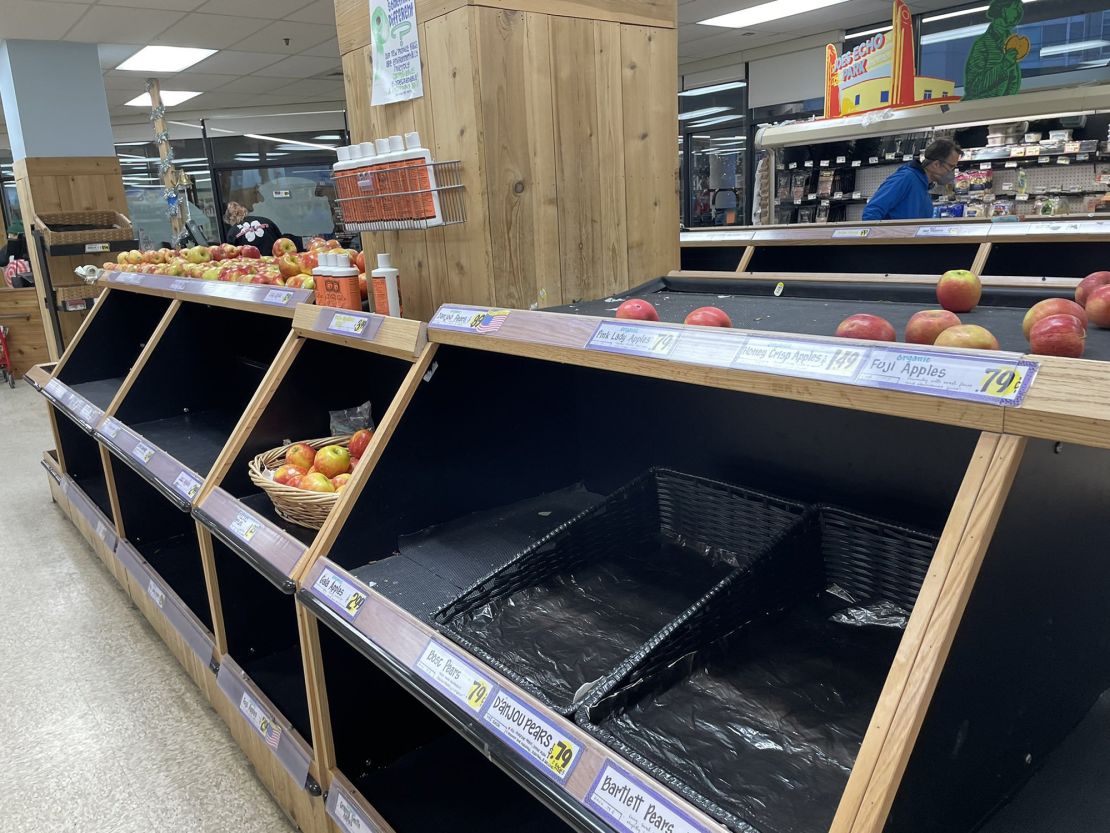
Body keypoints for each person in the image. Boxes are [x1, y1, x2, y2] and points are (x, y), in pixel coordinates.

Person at [862, 139, 960, 222]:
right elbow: (872, 212)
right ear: (936, 164)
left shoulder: (924, 185)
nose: (952, 172)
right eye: (951, 167)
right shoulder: (906, 178)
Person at [223, 201, 301, 254]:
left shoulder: (232, 233)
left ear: (230, 220)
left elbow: (232, 254)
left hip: (251, 268)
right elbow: (281, 242)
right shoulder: (266, 221)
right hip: (275, 262)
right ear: (244, 211)